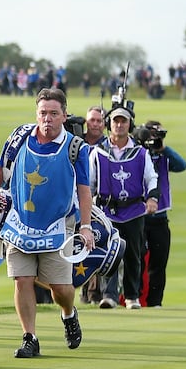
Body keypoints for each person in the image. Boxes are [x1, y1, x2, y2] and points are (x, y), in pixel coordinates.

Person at [0, 88, 93, 358]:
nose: (47, 119)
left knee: (60, 288)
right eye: (43, 113)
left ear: (64, 115)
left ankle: (68, 313)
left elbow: (84, 189)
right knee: (22, 279)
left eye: (53, 113)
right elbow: (1, 169)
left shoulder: (75, 148)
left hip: (57, 225)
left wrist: (85, 226)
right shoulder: (19, 137)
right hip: (20, 223)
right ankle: (30, 337)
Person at [89, 105, 159, 310]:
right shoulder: (98, 152)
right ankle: (109, 295)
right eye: (116, 121)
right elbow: (91, 182)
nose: (119, 125)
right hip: (107, 211)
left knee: (133, 255)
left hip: (134, 210)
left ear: (130, 125)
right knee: (110, 253)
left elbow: (151, 178)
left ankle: (131, 296)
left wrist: (152, 198)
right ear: (109, 124)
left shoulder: (140, 153)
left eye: (123, 121)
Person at [140, 121, 186, 307]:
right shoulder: (137, 153)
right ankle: (135, 298)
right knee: (138, 261)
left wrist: (163, 149)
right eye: (151, 134)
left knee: (158, 264)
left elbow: (182, 165)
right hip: (139, 216)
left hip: (160, 217)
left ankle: (155, 302)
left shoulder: (163, 155)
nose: (154, 138)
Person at [79, 106, 106, 305]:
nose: (95, 124)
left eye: (99, 120)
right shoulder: (77, 142)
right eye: (92, 120)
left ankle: (93, 293)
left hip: (97, 203)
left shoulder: (106, 146)